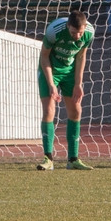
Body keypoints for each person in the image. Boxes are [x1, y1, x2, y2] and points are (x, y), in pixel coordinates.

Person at [36, 10, 95, 171]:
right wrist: (51, 84)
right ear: (68, 26)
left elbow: (81, 56)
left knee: (76, 110)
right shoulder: (54, 30)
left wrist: (78, 83)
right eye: (74, 32)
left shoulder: (89, 32)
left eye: (80, 33)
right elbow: (44, 56)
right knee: (49, 110)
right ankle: (48, 159)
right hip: (50, 69)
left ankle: (73, 159)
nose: (77, 36)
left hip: (69, 71)